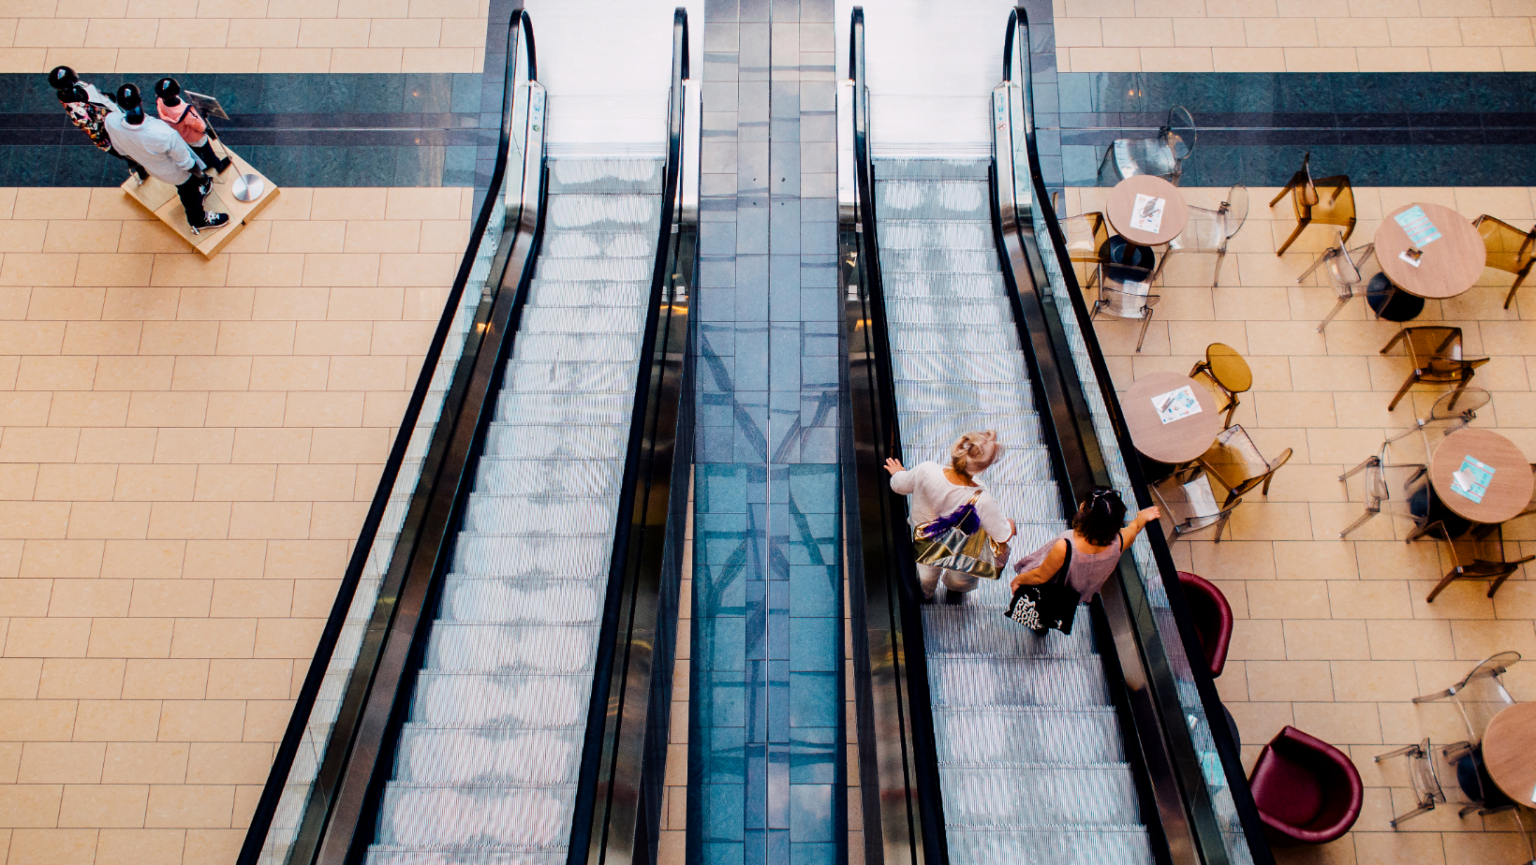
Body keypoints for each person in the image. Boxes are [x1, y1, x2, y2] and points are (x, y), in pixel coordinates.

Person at [884, 430, 1016, 602]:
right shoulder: (982, 499)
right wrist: (1010, 524)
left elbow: (900, 486)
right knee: (961, 576)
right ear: (983, 467)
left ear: (956, 449)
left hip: (927, 542)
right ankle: (955, 589)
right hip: (962, 548)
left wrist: (898, 473)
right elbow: (1001, 535)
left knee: (926, 574)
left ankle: (925, 595)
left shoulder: (926, 470)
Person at [103, 84, 229, 233]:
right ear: (141, 101)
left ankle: (199, 191)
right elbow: (187, 163)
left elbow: (121, 151)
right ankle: (198, 220)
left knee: (188, 188)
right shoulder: (163, 133)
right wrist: (202, 176)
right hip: (178, 173)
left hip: (154, 169)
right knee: (189, 193)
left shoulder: (110, 121)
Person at [1009, 487, 1159, 602]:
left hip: (1050, 589)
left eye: (1084, 504)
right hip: (1073, 594)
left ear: (1084, 514)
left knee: (1041, 606)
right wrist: (1143, 517)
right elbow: (1134, 528)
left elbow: (1040, 576)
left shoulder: (1066, 545)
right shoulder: (1121, 540)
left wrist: (1018, 580)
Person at [46, 66, 148, 183]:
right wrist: (111, 146)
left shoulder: (74, 88)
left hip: (109, 115)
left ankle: (139, 163)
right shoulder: (78, 111)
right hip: (107, 131)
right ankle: (140, 168)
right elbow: (94, 131)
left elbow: (96, 94)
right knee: (127, 153)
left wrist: (107, 98)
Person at [155, 77, 231, 174]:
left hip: (183, 135)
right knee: (207, 151)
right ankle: (218, 165)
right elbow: (198, 125)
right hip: (196, 136)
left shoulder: (160, 103)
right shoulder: (184, 113)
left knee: (196, 150)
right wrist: (206, 129)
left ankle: (203, 163)